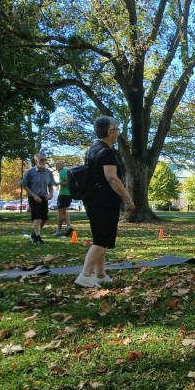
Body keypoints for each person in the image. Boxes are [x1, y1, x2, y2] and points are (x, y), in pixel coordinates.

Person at [75, 116, 135, 288]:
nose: (118, 133)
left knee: (100, 238)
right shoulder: (108, 152)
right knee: (102, 240)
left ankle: (100, 275)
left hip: (92, 200)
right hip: (105, 201)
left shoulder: (92, 150)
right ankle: (85, 276)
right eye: (117, 129)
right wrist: (128, 199)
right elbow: (111, 178)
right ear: (110, 132)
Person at [21, 152, 56, 244]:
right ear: (36, 160)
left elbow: (51, 185)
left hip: (44, 198)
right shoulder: (30, 172)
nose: (43, 161)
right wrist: (34, 195)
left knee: (44, 218)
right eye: (41, 160)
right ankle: (37, 238)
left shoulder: (48, 172)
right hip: (33, 197)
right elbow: (24, 185)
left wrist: (50, 194)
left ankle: (34, 234)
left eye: (45, 160)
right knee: (36, 217)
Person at [53, 161, 75, 237]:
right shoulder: (67, 171)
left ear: (62, 165)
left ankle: (59, 230)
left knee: (60, 212)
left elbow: (67, 182)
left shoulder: (62, 172)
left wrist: (58, 183)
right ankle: (68, 226)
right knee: (64, 211)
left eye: (57, 164)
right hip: (69, 194)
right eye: (56, 164)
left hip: (63, 194)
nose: (56, 166)